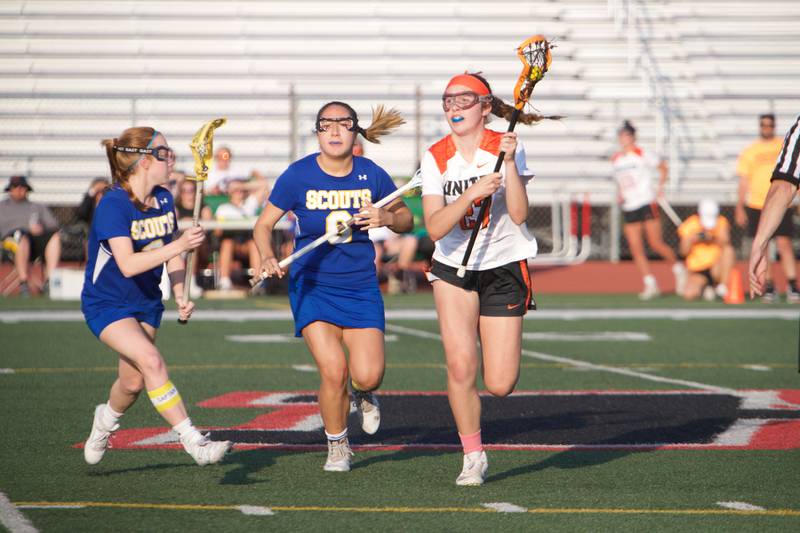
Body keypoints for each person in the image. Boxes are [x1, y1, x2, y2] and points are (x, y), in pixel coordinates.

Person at [253, 101, 412, 472]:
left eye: (344, 124)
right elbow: (263, 226)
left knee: (368, 374)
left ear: (356, 131)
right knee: (333, 370)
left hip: (359, 287)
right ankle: (338, 443)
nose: (336, 130)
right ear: (318, 131)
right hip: (313, 286)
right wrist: (265, 255)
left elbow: (406, 218)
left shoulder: (371, 173)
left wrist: (385, 216)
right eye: (328, 124)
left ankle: (365, 393)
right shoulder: (297, 175)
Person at [81, 126, 231, 466]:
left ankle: (104, 421)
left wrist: (179, 292)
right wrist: (180, 243)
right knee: (152, 361)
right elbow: (129, 264)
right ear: (143, 161)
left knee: (132, 382)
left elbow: (171, 253)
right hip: (107, 303)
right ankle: (195, 441)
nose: (171, 157)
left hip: (147, 302)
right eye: (163, 152)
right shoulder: (113, 204)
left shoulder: (164, 198)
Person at [420, 72, 542, 486]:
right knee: (459, 364)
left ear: (486, 106)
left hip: (504, 263)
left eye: (464, 100)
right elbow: (435, 228)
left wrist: (508, 165)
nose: (454, 107)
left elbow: (522, 216)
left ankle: (476, 444)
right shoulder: (435, 156)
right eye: (448, 100)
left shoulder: (506, 146)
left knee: (501, 383)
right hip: (453, 266)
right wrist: (471, 194)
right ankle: (473, 455)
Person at [611, 120, 687, 299]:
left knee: (655, 243)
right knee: (636, 248)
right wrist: (620, 194)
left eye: (627, 135)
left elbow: (663, 168)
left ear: (633, 137)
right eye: (622, 135)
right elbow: (621, 181)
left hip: (646, 201)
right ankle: (650, 283)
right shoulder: (616, 159)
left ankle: (679, 269)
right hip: (629, 205)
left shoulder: (642, 153)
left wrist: (660, 188)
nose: (624, 139)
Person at [736, 113, 799, 302]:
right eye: (763, 125)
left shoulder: (782, 141)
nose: (767, 128)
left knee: (783, 244)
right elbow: (745, 180)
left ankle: (792, 284)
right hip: (759, 202)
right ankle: (769, 286)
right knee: (768, 245)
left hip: (781, 202)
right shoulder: (751, 150)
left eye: (769, 125)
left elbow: (785, 185)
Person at [0, 175, 62, 297]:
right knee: (22, 238)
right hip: (11, 241)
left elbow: (54, 225)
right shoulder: (2, 207)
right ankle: (23, 282)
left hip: (35, 241)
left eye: (22, 187)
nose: (19, 190)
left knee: (55, 237)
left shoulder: (37, 207)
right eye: (15, 187)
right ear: (10, 189)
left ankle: (49, 282)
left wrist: (41, 228)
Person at [214, 178, 268, 290]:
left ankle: (257, 280)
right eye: (235, 190)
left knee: (254, 243)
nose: (239, 192)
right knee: (227, 243)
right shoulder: (223, 208)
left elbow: (264, 185)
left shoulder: (250, 204)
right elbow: (217, 232)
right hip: (230, 243)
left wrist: (242, 186)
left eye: (240, 190)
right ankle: (225, 281)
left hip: (246, 244)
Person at [677, 200, 735, 301]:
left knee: (729, 250)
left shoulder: (721, 222)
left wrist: (712, 238)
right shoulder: (690, 224)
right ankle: (707, 288)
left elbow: (726, 243)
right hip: (698, 269)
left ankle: (722, 286)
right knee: (689, 294)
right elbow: (683, 252)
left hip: (716, 267)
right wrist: (691, 239)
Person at [175, 179, 213, 297]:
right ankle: (174, 286)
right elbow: (173, 228)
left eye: (191, 190)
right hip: (180, 245)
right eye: (184, 191)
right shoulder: (175, 208)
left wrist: (189, 226)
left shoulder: (204, 207)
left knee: (193, 243)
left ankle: (190, 282)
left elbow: (206, 228)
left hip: (201, 245)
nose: (188, 194)